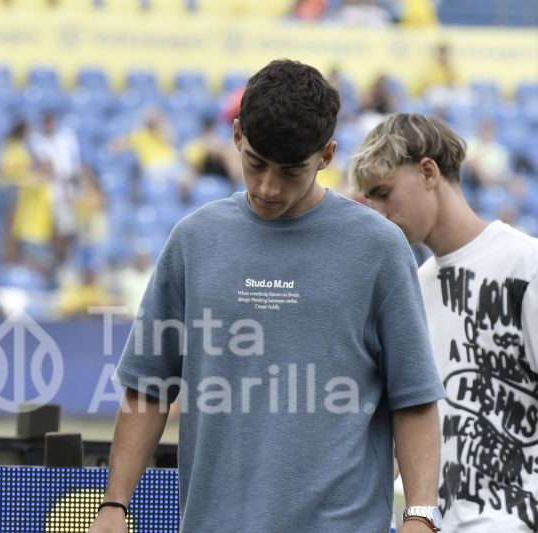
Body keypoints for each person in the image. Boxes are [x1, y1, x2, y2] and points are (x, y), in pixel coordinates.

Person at [89, 60, 445, 533]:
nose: (267, 187)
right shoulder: (193, 240)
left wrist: (420, 515)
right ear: (237, 135)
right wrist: (114, 506)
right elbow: (148, 386)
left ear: (326, 155)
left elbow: (414, 396)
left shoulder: (379, 247)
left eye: (290, 170)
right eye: (255, 163)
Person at [352, 113, 538, 532]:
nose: (377, 214)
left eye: (383, 193)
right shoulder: (411, 288)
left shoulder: (526, 264)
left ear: (428, 171)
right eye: (369, 200)